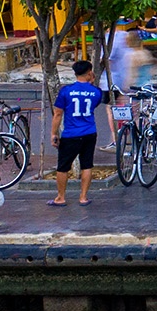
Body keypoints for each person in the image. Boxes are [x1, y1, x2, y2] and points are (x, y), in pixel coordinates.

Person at [49, 59, 104, 208]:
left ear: (74, 73)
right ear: (90, 73)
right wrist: (91, 83)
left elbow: (58, 114)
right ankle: (83, 197)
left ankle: (60, 197)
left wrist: (54, 133)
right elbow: (95, 103)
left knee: (63, 166)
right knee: (87, 164)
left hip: (70, 134)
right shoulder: (96, 92)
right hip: (89, 132)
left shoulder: (66, 91)